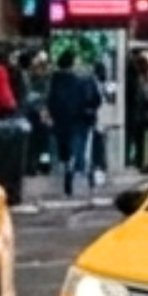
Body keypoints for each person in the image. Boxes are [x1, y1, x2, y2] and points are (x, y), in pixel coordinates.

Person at [46, 49, 103, 195]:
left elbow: (51, 101)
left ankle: (67, 167)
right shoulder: (83, 80)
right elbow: (94, 99)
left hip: (61, 121)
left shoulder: (55, 80)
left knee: (65, 148)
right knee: (81, 147)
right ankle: (80, 170)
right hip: (80, 119)